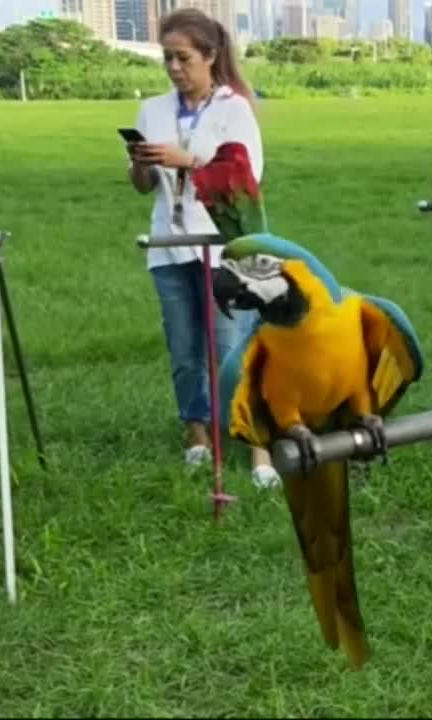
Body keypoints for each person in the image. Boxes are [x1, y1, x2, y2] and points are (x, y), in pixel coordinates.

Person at [126, 7, 280, 489]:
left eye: (183, 58)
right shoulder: (152, 110)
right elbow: (141, 185)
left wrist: (187, 160)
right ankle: (198, 438)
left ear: (211, 56)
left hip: (226, 248)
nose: (174, 68)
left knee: (235, 349)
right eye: (166, 58)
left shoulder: (234, 109)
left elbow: (246, 178)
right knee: (186, 350)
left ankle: (258, 448)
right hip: (169, 247)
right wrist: (142, 163)